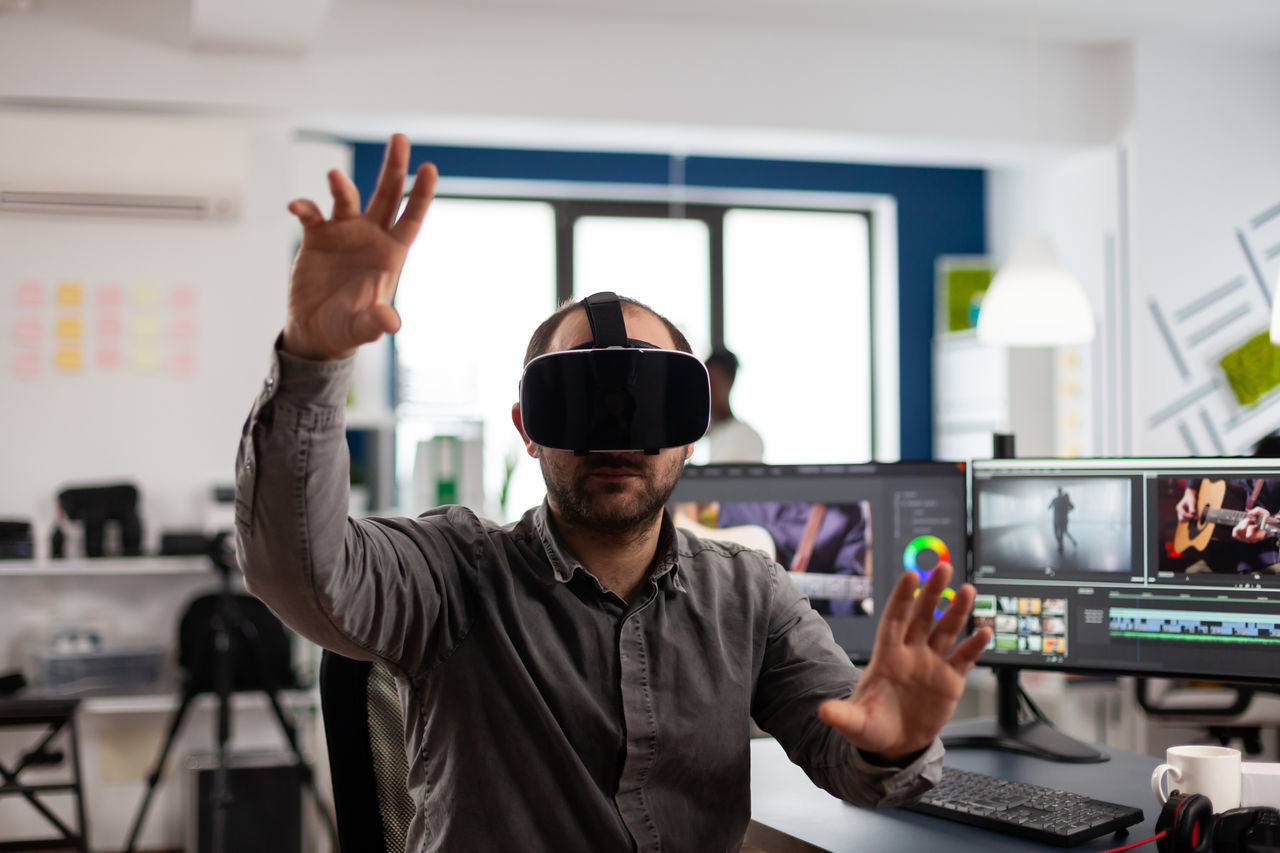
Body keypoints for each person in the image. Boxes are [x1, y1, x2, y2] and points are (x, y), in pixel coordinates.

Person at [234, 135, 991, 852]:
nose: (617, 431)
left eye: (649, 400)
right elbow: (298, 569)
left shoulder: (748, 594)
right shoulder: (452, 575)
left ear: (693, 429)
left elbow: (849, 754)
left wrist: (892, 742)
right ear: (528, 428)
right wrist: (315, 357)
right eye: (582, 398)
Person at [697, 346, 765, 463]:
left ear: (729, 383)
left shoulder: (746, 437)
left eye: (713, 385)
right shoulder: (701, 436)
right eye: (703, 386)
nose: (707, 393)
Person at [1048, 487, 1075, 554]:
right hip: (1063, 518)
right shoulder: (1064, 500)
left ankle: (1061, 545)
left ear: (1058, 492)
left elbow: (1049, 507)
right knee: (1063, 532)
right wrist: (1067, 510)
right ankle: (1062, 545)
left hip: (1057, 518)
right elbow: (1072, 507)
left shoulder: (1055, 499)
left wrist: (1054, 507)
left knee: (1058, 533)